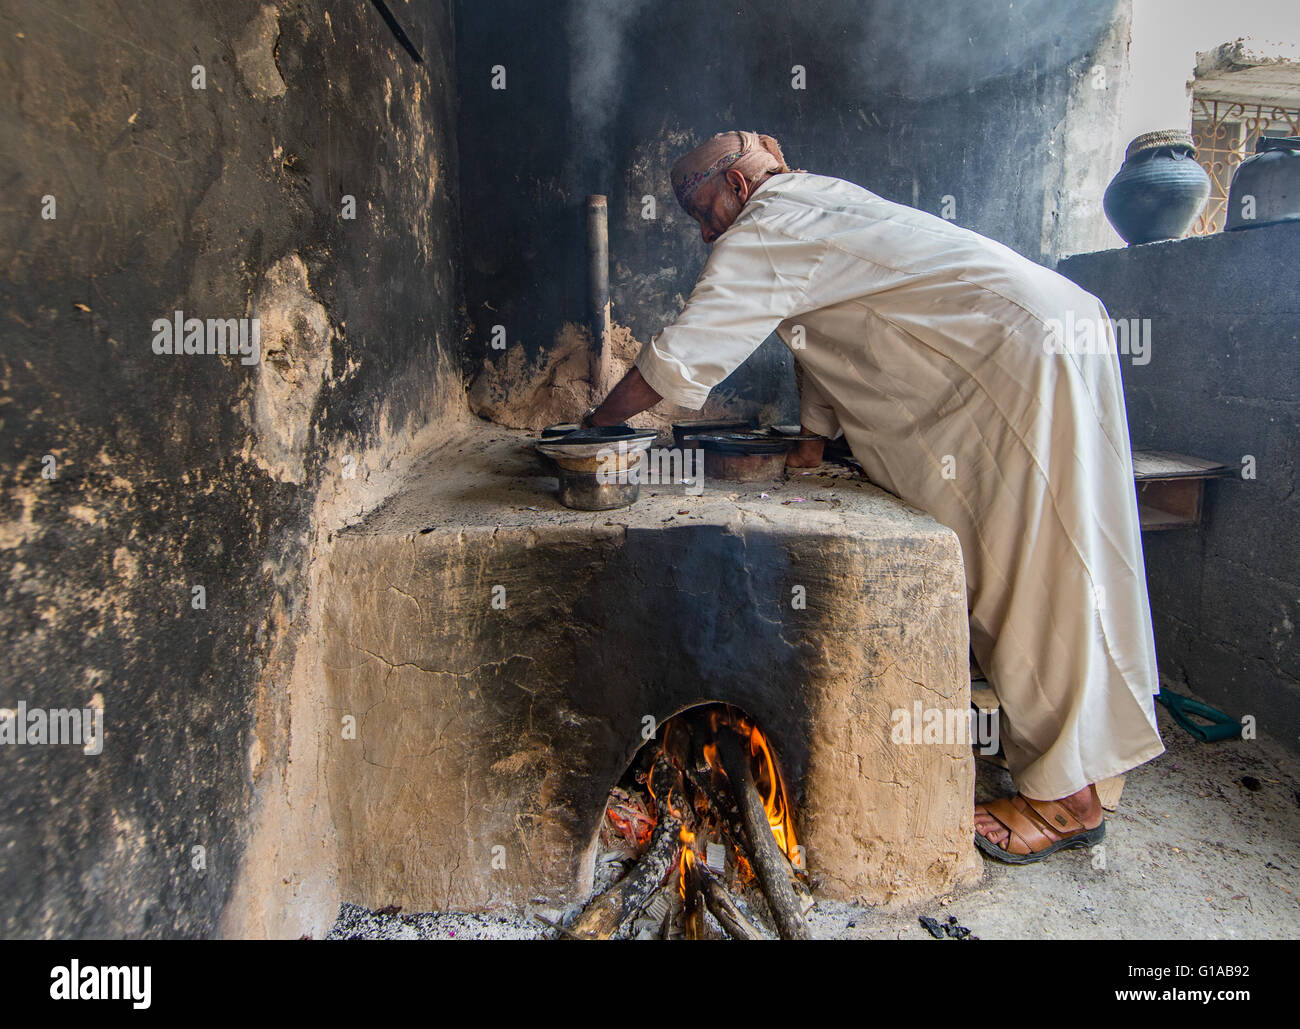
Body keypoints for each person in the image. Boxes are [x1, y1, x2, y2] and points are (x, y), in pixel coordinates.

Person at [581, 130, 1164, 863]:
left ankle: (1065, 802)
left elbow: (684, 352)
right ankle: (1095, 761)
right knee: (1084, 542)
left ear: (735, 185)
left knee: (1030, 569)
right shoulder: (822, 200)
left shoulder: (763, 227)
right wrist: (810, 445)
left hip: (1014, 355)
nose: (704, 233)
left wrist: (596, 423)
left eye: (703, 211)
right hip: (1063, 321)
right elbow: (826, 328)